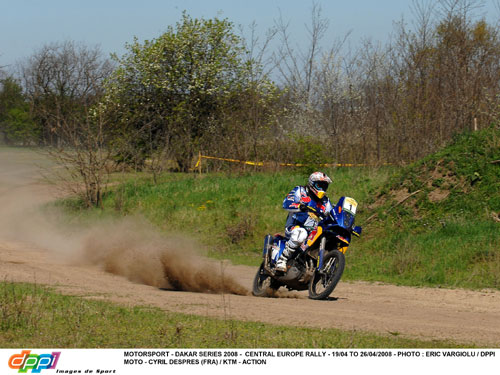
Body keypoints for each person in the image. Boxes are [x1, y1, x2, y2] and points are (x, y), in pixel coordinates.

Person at [276, 171, 333, 272]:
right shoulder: (300, 191)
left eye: (325, 186)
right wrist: (299, 206)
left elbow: (331, 213)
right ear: (312, 183)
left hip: (312, 232)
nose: (322, 189)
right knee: (301, 233)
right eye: (320, 185)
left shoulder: (325, 201)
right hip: (294, 227)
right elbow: (286, 203)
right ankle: (282, 260)